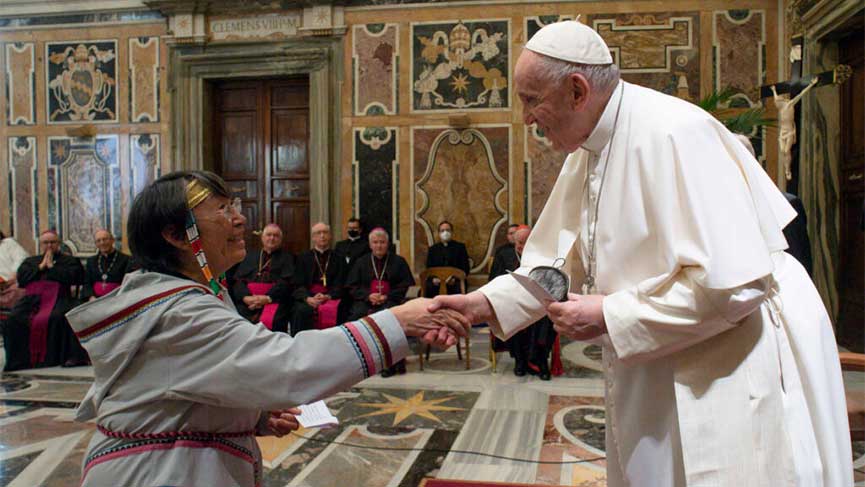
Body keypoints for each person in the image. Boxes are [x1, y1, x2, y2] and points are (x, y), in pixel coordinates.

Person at [429, 21, 851, 486]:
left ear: (576, 90)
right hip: (654, 363)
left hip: (723, 361)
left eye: (532, 100)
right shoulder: (587, 151)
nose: (526, 118)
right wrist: (481, 305)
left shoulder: (676, 133)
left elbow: (741, 285)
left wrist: (612, 315)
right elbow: (556, 267)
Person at [65, 170, 468, 487]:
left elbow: (186, 387)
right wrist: (398, 321)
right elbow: (288, 364)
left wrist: (252, 413)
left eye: (234, 205)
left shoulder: (192, 292)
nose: (240, 219)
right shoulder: (176, 312)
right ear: (175, 235)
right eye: (222, 209)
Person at [2, 229, 86, 370]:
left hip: (59, 297)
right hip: (31, 299)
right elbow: (22, 280)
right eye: (45, 242)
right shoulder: (31, 261)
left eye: (52, 242)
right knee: (14, 319)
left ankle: (51, 359)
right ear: (40, 244)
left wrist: (53, 268)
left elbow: (76, 277)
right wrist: (40, 268)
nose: (49, 246)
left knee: (58, 317)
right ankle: (20, 361)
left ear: (58, 243)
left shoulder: (69, 261)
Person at [488, 226, 557, 380]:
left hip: (538, 301)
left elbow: (550, 280)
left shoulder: (542, 255)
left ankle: (541, 361)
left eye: (526, 242)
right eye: (519, 242)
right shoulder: (503, 253)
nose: (521, 246)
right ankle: (519, 361)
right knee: (510, 315)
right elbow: (494, 279)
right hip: (511, 298)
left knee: (546, 318)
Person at [345, 228, 415, 377]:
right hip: (366, 301)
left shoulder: (398, 261)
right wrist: (368, 296)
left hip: (390, 300)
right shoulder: (361, 262)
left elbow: (404, 285)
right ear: (370, 245)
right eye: (375, 242)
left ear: (387, 244)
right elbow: (352, 286)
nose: (379, 246)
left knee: (389, 318)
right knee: (356, 315)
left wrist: (387, 296)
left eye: (382, 242)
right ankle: (361, 361)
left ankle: (391, 363)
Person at [230, 223, 295, 333]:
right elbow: (238, 280)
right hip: (249, 300)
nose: (272, 238)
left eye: (276, 235)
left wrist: (267, 298)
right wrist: (246, 297)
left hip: (274, 299)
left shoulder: (288, 257)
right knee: (238, 318)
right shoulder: (250, 256)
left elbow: (286, 283)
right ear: (262, 237)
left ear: (281, 239)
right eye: (268, 235)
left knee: (276, 319)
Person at [290, 222, 347, 335]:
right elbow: (297, 283)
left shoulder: (339, 258)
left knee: (341, 309)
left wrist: (328, 296)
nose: (322, 236)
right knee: (301, 310)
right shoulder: (303, 258)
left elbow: (342, 282)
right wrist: (307, 298)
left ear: (330, 236)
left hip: (332, 296)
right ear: (313, 237)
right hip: (309, 297)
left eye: (325, 232)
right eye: (318, 233)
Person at [82, 229, 133, 301]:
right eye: (98, 241)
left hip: (117, 299)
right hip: (95, 300)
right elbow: (87, 282)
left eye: (105, 239)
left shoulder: (126, 260)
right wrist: (91, 297)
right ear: (96, 244)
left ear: (112, 240)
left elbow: (128, 283)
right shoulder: (91, 261)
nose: (102, 243)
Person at [424, 221, 470, 297]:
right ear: (439, 233)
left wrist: (454, 278)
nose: (445, 233)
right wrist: (433, 279)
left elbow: (465, 269)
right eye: (442, 231)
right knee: (426, 289)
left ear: (452, 232)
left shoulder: (460, 247)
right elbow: (429, 268)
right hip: (437, 282)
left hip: (455, 281)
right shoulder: (433, 249)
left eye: (448, 230)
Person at [0, 230, 30, 315]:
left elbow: (21, 259)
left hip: (14, 282)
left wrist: (14, 275)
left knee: (19, 292)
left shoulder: (8, 243)